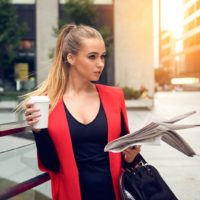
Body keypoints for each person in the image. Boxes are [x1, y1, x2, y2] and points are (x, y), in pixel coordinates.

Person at [23, 24, 141, 200]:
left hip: (115, 193)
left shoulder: (114, 96)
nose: (100, 64)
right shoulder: (48, 103)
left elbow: (125, 151)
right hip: (72, 195)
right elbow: (52, 165)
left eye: (102, 56)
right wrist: (38, 131)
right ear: (70, 57)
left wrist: (132, 156)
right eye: (92, 57)